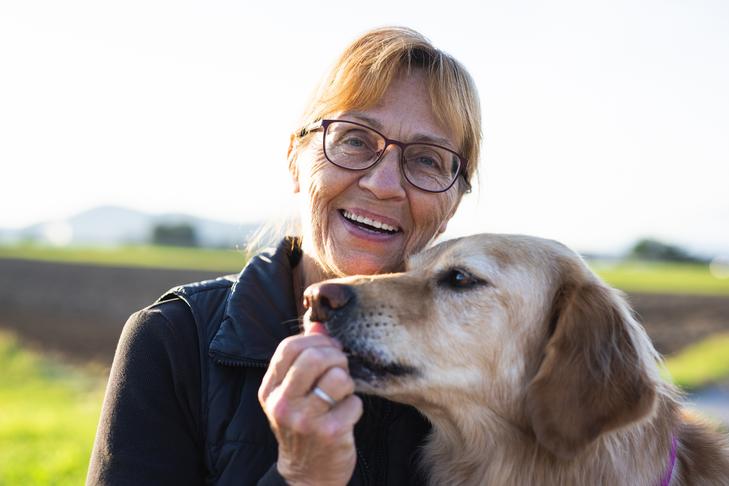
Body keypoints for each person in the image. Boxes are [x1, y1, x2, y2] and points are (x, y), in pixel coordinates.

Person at [87, 25, 482, 485]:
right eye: (355, 139)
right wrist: (301, 476)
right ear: (296, 160)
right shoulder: (174, 341)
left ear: (454, 200)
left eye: (426, 159)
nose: (383, 184)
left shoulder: (486, 366)